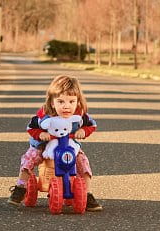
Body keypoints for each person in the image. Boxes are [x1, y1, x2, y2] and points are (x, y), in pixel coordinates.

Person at [7, 75, 103, 212]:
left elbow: (92, 125)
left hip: (69, 145)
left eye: (71, 101)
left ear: (77, 101)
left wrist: (83, 131)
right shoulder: (44, 115)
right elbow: (31, 127)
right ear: (52, 103)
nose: (66, 106)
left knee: (83, 162)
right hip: (44, 145)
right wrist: (41, 134)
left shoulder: (79, 116)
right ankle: (20, 187)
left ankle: (87, 194)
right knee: (30, 158)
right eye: (61, 102)